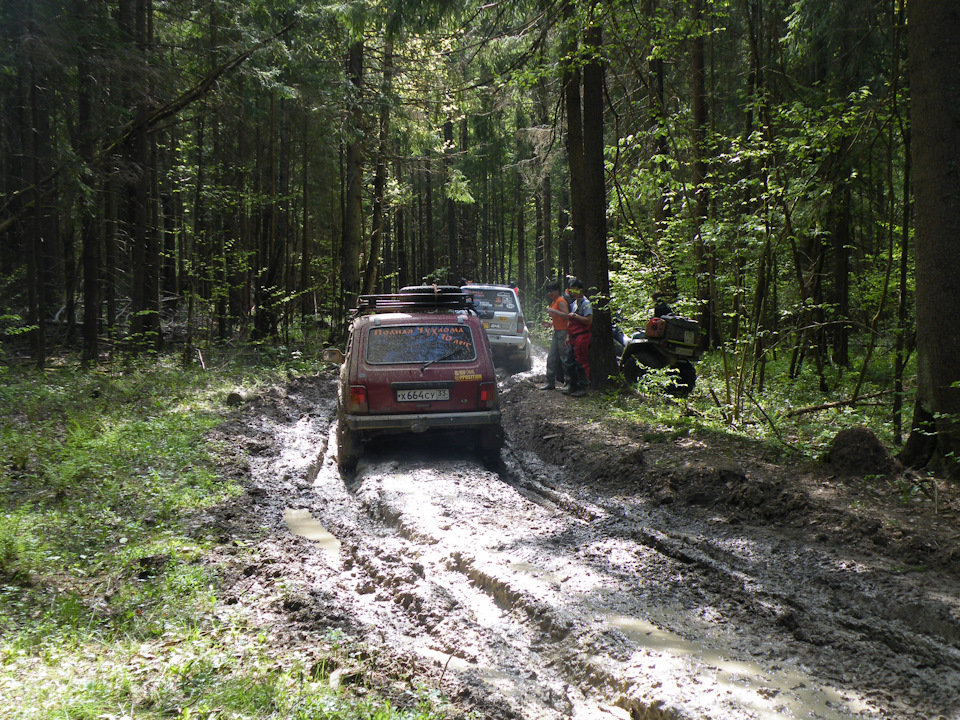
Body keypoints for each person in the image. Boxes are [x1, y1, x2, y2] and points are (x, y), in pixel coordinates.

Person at [560, 277, 593, 397]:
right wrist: (568, 336)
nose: (573, 292)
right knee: (569, 361)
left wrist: (576, 316)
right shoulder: (574, 304)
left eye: (575, 290)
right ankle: (572, 385)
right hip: (573, 337)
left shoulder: (586, 304)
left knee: (581, 362)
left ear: (580, 290)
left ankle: (583, 387)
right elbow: (570, 321)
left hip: (582, 337)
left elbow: (589, 320)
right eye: (571, 290)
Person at [539, 281, 569, 390]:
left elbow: (567, 316)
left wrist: (553, 311)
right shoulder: (554, 302)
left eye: (552, 291)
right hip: (557, 332)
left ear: (557, 291)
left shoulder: (560, 301)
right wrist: (550, 324)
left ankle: (568, 383)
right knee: (551, 357)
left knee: (564, 357)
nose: (549, 293)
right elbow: (559, 318)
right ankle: (550, 382)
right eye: (548, 291)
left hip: (563, 332)